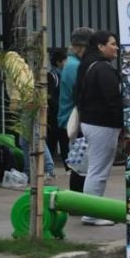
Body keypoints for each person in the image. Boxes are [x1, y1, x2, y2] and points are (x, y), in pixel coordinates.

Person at [76, 30, 123, 226]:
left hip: (91, 123)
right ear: (100, 46)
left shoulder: (89, 66)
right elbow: (113, 99)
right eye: (112, 44)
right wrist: (122, 124)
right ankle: (91, 213)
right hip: (102, 125)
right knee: (98, 171)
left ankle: (91, 211)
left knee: (95, 169)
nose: (116, 48)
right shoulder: (102, 69)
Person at [59, 26, 95, 192]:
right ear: (84, 47)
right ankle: (77, 203)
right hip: (75, 122)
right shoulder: (76, 66)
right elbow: (83, 93)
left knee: (79, 163)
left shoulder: (72, 63)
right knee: (80, 166)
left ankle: (77, 202)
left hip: (71, 120)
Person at [46, 48, 68, 168]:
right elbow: (50, 97)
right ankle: (47, 168)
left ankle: (68, 168)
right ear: (59, 62)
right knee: (51, 142)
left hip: (62, 115)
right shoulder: (52, 76)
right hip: (55, 116)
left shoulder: (64, 75)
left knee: (65, 143)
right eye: (65, 60)